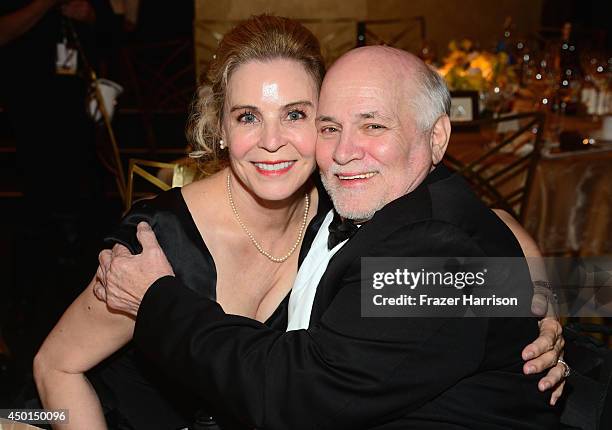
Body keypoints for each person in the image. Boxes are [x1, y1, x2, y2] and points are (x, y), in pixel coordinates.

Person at [34, 16, 564, 429]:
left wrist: (542, 307)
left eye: (296, 115)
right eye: (247, 117)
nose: (271, 141)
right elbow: (54, 368)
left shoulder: (346, 197)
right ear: (218, 128)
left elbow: (488, 222)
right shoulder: (154, 247)